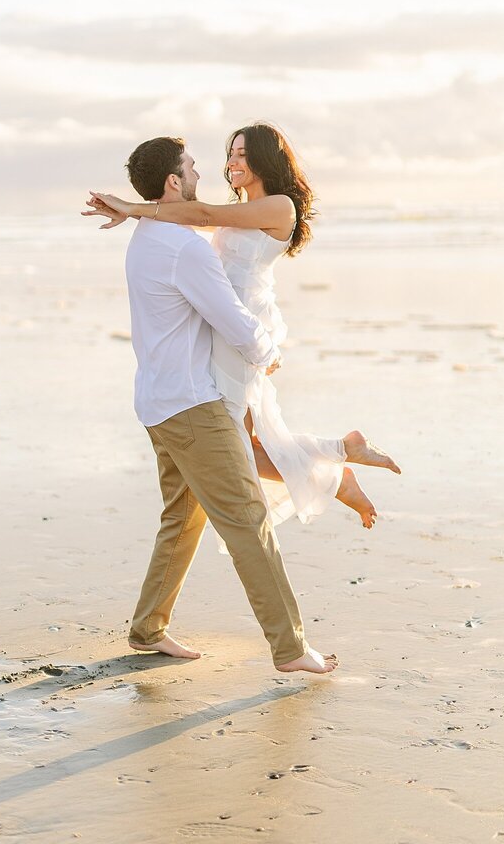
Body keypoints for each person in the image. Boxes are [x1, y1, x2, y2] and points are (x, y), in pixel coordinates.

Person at [84, 122, 400, 536]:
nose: (232, 162)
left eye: (243, 154)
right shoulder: (239, 208)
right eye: (231, 153)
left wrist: (131, 207)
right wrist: (134, 211)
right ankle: (342, 456)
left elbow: (200, 214)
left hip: (243, 324)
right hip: (226, 322)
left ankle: (338, 470)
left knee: (236, 445)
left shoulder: (279, 206)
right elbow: (185, 215)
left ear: (265, 160)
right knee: (245, 443)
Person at [98, 135, 337, 675]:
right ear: (173, 182)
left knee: (183, 517)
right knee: (248, 519)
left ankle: (147, 628)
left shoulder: (147, 236)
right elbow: (231, 318)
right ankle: (291, 649)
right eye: (191, 166)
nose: (202, 172)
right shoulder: (184, 249)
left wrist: (132, 208)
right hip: (193, 405)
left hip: (157, 400)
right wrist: (269, 353)